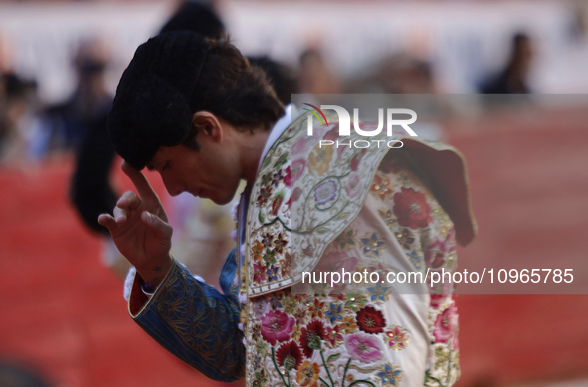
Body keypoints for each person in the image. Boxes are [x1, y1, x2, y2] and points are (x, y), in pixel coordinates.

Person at [99, 31, 476, 386]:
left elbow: (384, 357)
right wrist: (156, 269)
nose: (174, 187)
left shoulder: (337, 166)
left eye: (168, 166)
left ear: (208, 128)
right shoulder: (268, 186)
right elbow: (242, 352)